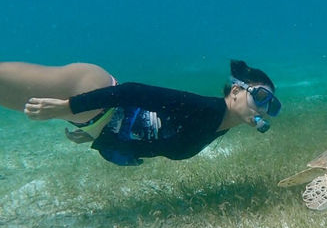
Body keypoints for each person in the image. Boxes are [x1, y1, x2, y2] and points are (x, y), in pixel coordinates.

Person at [0, 60, 280, 166]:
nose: (263, 108)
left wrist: (93, 135)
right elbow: (132, 91)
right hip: (92, 91)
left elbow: (154, 134)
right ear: (234, 92)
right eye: (260, 96)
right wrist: (67, 106)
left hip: (95, 117)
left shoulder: (222, 125)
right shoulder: (205, 109)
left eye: (271, 105)